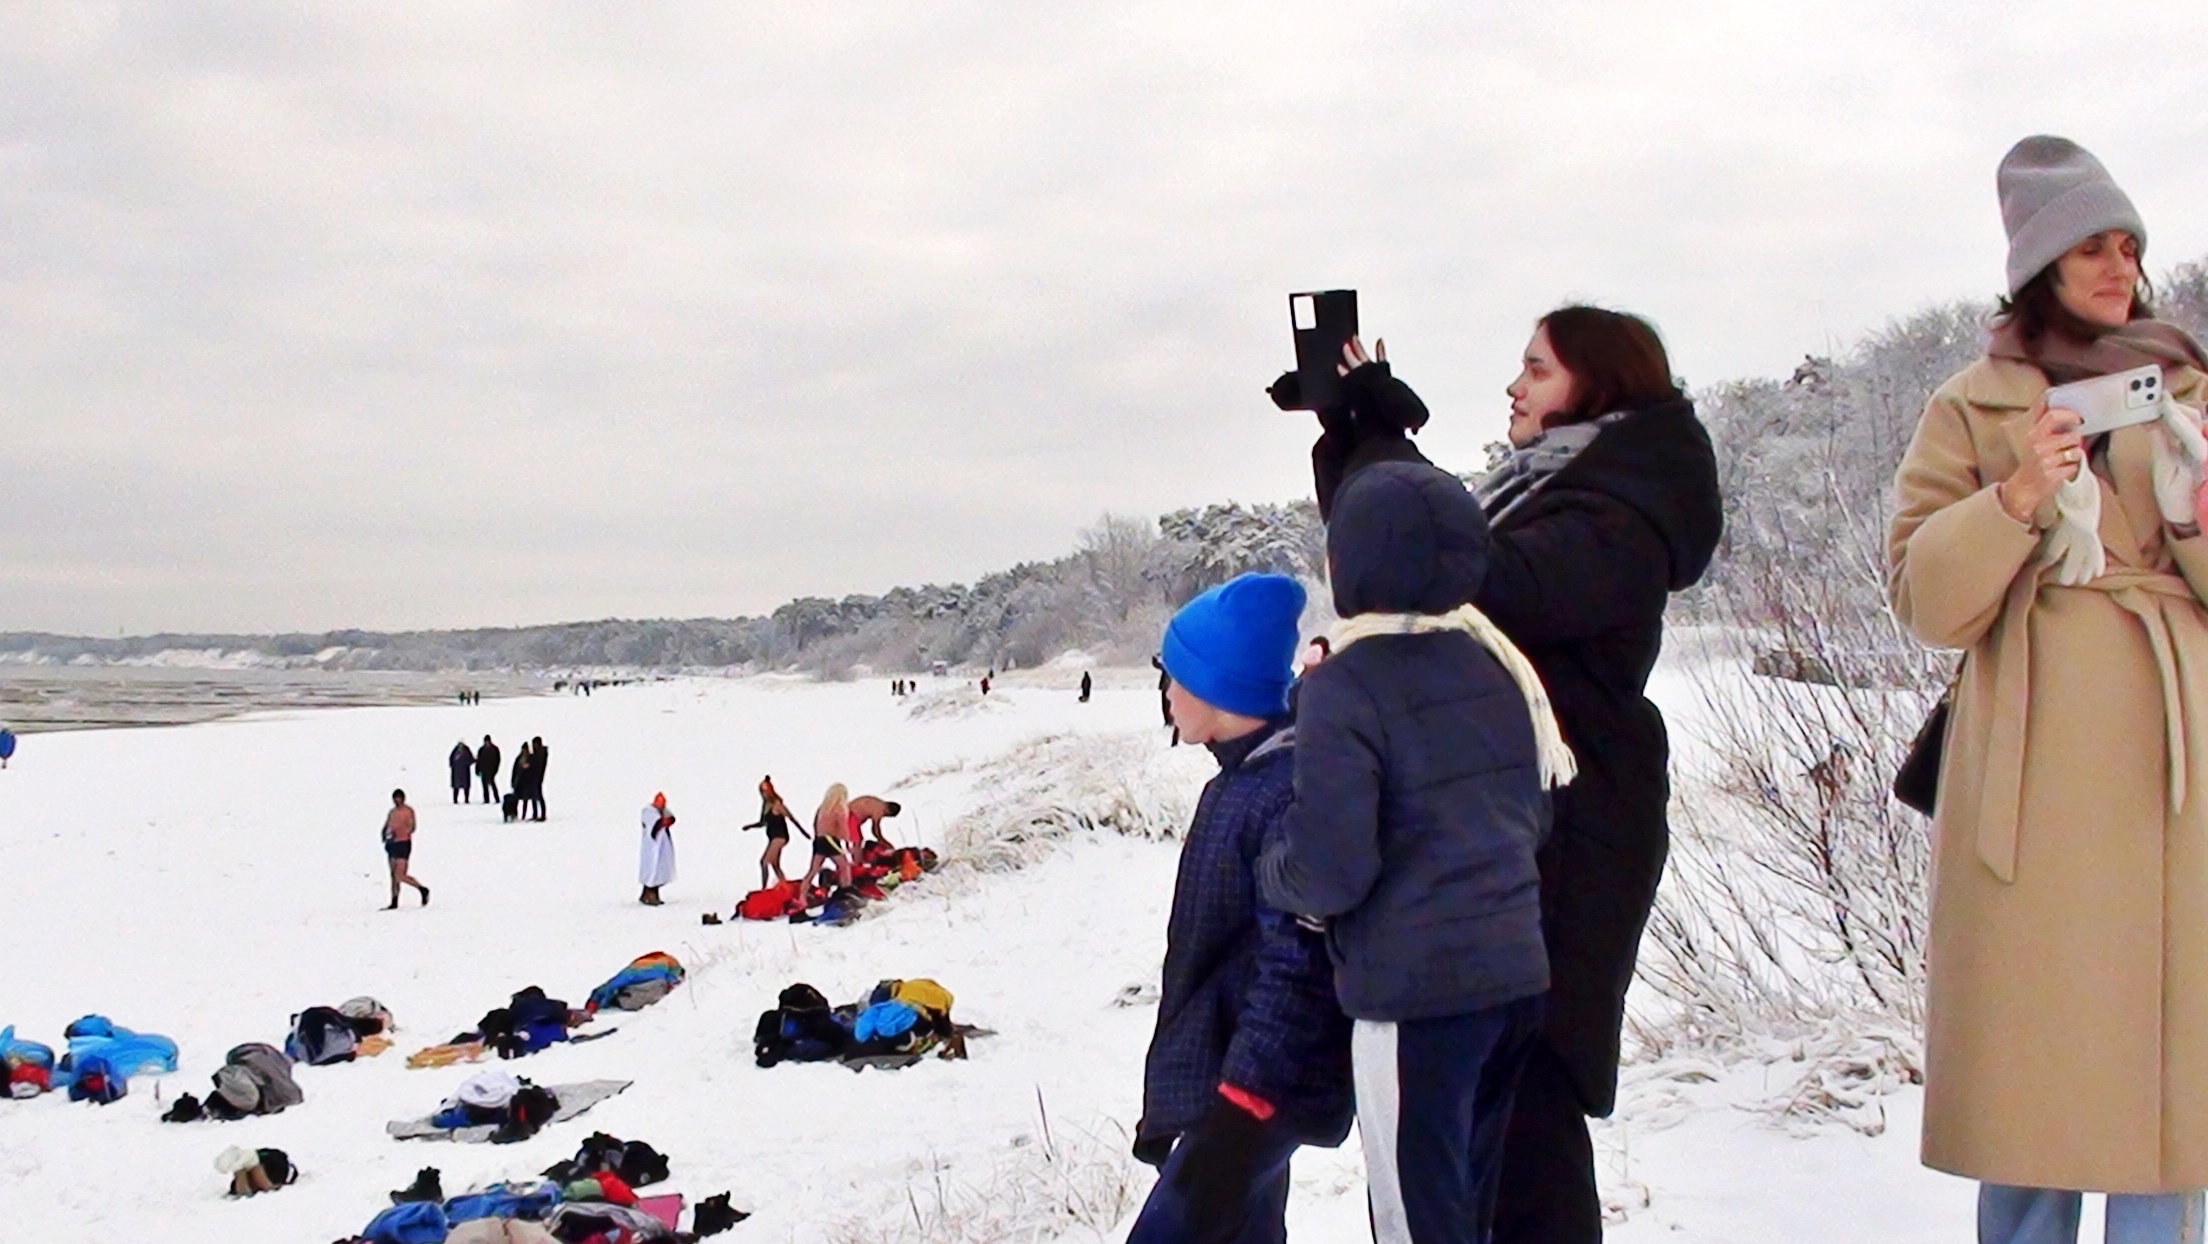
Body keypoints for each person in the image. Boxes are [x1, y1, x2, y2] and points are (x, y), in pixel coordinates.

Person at [1889, 136, 2208, 1244]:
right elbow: (1926, 600)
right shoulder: (1970, 407)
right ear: (2039, 263)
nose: (2117, 267)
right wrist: (2018, 493)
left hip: (2177, 760)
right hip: (2036, 756)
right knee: (2039, 1065)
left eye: (2129, 246)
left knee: (2170, 1075)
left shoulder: (2190, 386)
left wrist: (2189, 511)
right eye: (2090, 248)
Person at [1260, 462, 1565, 1244]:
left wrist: (1274, 872)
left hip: (1415, 1002)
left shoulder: (1345, 682)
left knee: (1417, 1223)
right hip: (1514, 985)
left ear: (1349, 564)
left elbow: (1332, 871)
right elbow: (1535, 813)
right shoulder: (1499, 663)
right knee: (1471, 1208)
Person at [1129, 572, 1354, 1244]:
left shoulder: (1280, 796)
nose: (1166, 693)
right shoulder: (1241, 781)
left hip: (1252, 1088)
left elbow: (1296, 969)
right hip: (1231, 1079)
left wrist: (1242, 1104)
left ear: (1216, 685)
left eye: (1173, 675)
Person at [743, 789, 806, 890]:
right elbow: (763, 823)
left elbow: (791, 818)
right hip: (773, 837)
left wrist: (803, 832)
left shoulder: (777, 805)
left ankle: (764, 888)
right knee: (774, 864)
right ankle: (784, 884)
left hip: (780, 836)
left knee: (764, 862)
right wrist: (750, 826)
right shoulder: (766, 807)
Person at [381, 789, 430, 911]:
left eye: (399, 798)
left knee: (400, 874)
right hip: (392, 843)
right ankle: (394, 900)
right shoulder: (392, 812)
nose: (396, 801)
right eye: (395, 798)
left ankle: (421, 888)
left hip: (403, 843)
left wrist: (401, 832)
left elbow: (412, 827)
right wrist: (385, 834)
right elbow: (387, 824)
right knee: (393, 874)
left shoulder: (408, 811)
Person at [801, 784, 852, 894]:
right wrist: (847, 842)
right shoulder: (839, 808)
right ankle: (846, 892)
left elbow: (814, 824)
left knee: (813, 871)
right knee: (844, 866)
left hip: (819, 840)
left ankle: (802, 897)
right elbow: (843, 826)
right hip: (831, 840)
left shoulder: (822, 808)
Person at [638, 793, 676, 906]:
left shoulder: (663, 811)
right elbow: (655, 824)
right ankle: (648, 894)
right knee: (651, 869)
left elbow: (671, 819)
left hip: (662, 845)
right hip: (652, 845)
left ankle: (654, 893)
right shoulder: (648, 812)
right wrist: (662, 821)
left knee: (660, 869)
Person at [526, 737, 549, 821]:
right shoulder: (539, 754)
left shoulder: (540, 754)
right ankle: (535, 814)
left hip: (537, 777)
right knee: (534, 796)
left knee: (538, 796)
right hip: (534, 777)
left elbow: (536, 765)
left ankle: (542, 814)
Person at [475, 735, 502, 805]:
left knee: (493, 785)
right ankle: (486, 799)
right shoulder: (481, 749)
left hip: (491, 770)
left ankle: (497, 799)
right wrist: (477, 769)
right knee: (484, 786)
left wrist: (495, 770)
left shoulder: (495, 749)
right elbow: (478, 760)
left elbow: (498, 760)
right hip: (483, 770)